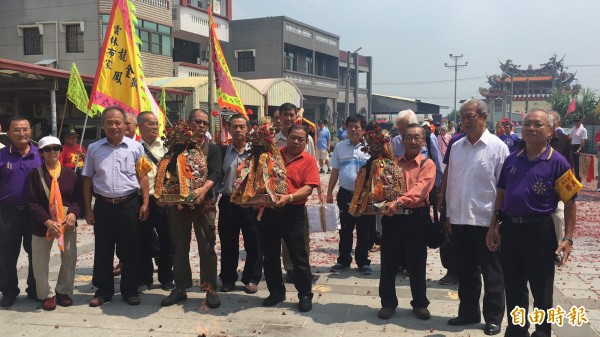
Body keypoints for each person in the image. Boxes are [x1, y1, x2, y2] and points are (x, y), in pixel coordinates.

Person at [487, 109, 580, 337]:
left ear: (550, 131)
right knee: (514, 285)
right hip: (511, 229)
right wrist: (493, 227)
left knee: (541, 288)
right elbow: (501, 194)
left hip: (539, 231)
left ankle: (542, 331)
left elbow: (570, 202)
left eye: (538, 124)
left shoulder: (558, 162)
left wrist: (568, 238)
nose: (530, 128)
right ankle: (517, 330)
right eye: (527, 123)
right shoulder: (512, 160)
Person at [445, 99, 508, 336]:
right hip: (460, 218)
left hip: (486, 221)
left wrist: (498, 222)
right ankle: (468, 312)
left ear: (483, 117)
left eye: (469, 116)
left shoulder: (498, 147)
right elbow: (452, 183)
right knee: (465, 270)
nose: (465, 121)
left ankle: (493, 318)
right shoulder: (456, 147)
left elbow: (503, 189)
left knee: (492, 272)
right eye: (462, 117)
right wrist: (449, 215)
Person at [82, 107, 150, 307]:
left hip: (129, 203)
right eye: (109, 123)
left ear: (125, 124)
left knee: (130, 248)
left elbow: (143, 176)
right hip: (103, 206)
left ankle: (130, 290)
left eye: (117, 122)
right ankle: (104, 291)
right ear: (103, 125)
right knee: (103, 249)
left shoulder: (136, 147)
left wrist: (145, 202)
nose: (113, 126)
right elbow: (86, 180)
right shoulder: (94, 149)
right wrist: (88, 208)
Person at [161, 108, 221, 308]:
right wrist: (175, 198)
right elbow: (168, 176)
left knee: (207, 247)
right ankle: (180, 287)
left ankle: (210, 287)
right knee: (179, 247)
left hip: (204, 205)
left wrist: (203, 191)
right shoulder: (176, 148)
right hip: (179, 207)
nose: (201, 126)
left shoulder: (212, 149)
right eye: (197, 122)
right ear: (188, 124)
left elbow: (215, 174)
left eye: (204, 123)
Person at [258, 124, 320, 312]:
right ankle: (276, 291)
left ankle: (305, 294)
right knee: (270, 255)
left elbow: (309, 187)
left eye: (300, 139)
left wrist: (290, 197)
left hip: (293, 213)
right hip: (270, 212)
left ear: (305, 142)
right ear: (287, 136)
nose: (296, 141)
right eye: (293, 137)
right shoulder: (273, 155)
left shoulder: (308, 160)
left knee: (298, 257)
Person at [378, 123, 436, 320]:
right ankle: (387, 303)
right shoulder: (392, 164)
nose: (412, 141)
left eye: (417, 138)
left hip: (416, 220)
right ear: (402, 140)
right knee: (388, 263)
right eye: (409, 137)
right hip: (392, 219)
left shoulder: (427, 164)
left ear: (423, 141)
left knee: (417, 263)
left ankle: (420, 303)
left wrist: (399, 201)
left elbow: (420, 190)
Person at [27, 136, 81, 310]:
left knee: (69, 257)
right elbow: (32, 202)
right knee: (40, 261)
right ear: (41, 153)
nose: (52, 152)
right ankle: (46, 294)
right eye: (48, 149)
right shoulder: (35, 175)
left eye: (56, 148)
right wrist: (46, 220)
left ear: (60, 151)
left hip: (66, 223)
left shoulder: (70, 174)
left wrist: (73, 213)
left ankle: (63, 291)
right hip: (42, 223)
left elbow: (77, 199)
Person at [275, 102, 322, 283]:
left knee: (301, 238)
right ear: (279, 117)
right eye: (285, 115)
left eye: (291, 114)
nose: (288, 118)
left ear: (296, 116)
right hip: (278, 201)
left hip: (298, 197)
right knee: (283, 240)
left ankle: (301, 268)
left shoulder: (306, 139)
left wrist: (315, 191)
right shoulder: (273, 140)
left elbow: (310, 163)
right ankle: (290, 269)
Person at [218, 114, 263, 294]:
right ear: (229, 129)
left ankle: (251, 278)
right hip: (228, 202)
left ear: (248, 129)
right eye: (234, 127)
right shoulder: (222, 152)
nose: (238, 130)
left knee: (254, 242)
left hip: (250, 204)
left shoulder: (257, 152)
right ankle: (228, 279)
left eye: (241, 126)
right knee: (228, 243)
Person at [0, 117, 41, 307]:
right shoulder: (2, 155)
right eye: (17, 130)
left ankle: (34, 289)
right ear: (9, 133)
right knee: (7, 253)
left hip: (34, 213)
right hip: (7, 213)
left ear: (31, 131)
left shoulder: (40, 154)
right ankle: (9, 291)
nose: (21, 133)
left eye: (25, 129)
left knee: (35, 252)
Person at [327, 115, 375, 276]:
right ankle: (343, 260)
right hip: (345, 195)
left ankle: (363, 262)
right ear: (346, 128)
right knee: (345, 230)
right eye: (350, 127)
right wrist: (328, 193)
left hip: (365, 196)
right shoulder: (340, 147)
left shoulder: (371, 147)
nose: (353, 130)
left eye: (357, 127)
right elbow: (334, 171)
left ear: (363, 129)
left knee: (364, 230)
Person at [137, 111, 174, 292]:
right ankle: (145, 278)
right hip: (143, 199)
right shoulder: (135, 148)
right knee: (143, 240)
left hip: (164, 200)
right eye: (150, 124)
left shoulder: (167, 147)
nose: (155, 127)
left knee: (167, 240)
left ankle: (166, 277)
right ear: (140, 126)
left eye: (156, 124)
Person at [437, 125, 466, 285]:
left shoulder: (494, 144)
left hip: (476, 200)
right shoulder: (456, 141)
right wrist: (442, 192)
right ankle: (452, 270)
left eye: (471, 117)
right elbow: (448, 167)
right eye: (464, 118)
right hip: (453, 194)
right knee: (448, 234)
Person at [570, 116, 587, 182]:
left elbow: (583, 141)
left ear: (580, 121)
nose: (576, 122)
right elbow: (570, 138)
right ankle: (573, 178)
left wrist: (579, 149)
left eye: (577, 121)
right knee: (572, 164)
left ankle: (578, 180)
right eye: (575, 121)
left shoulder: (583, 130)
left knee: (578, 165)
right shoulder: (573, 129)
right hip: (573, 146)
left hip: (579, 147)